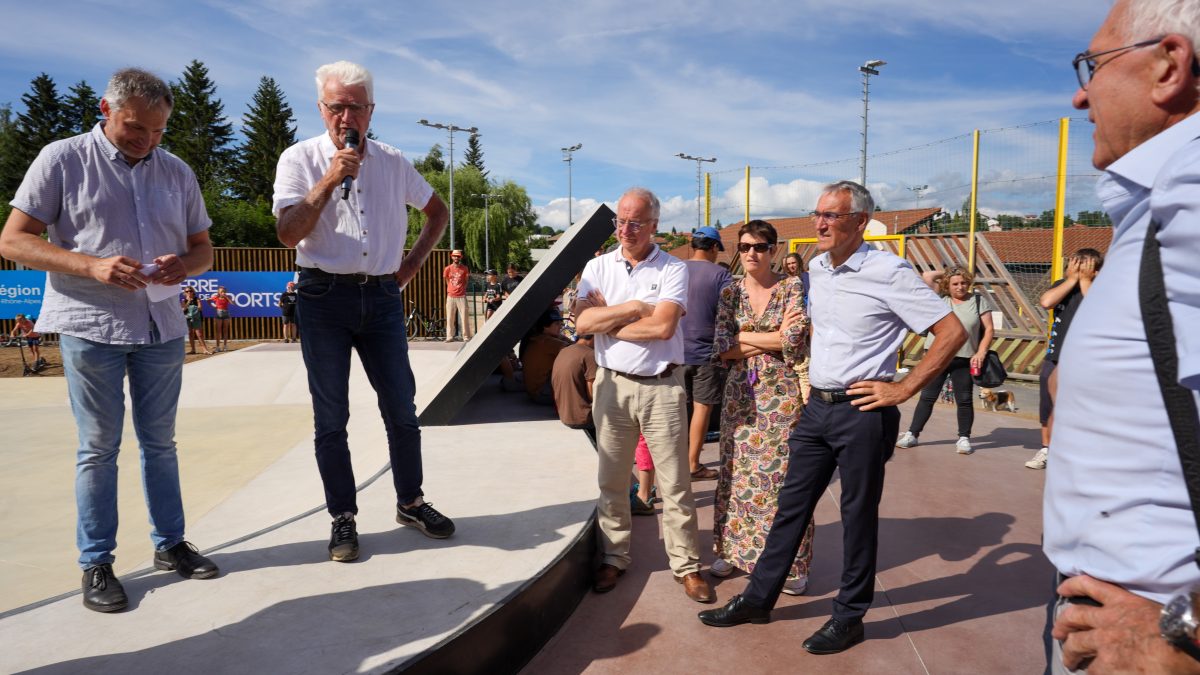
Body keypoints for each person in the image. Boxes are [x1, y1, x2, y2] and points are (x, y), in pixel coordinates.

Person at [698, 181, 965, 655]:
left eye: (833, 216)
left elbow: (951, 330)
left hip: (863, 410)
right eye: (818, 213)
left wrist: (903, 387)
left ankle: (849, 616)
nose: (820, 223)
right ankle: (759, 598)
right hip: (816, 407)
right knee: (790, 507)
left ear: (860, 222)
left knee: (856, 516)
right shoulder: (817, 268)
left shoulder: (889, 271)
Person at [0, 67, 220, 613]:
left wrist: (182, 266)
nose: (146, 140)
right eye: (134, 127)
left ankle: (170, 545)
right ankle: (96, 562)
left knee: (161, 443)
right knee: (98, 448)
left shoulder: (176, 171)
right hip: (90, 324)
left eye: (158, 131)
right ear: (105, 109)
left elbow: (203, 250)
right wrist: (90, 266)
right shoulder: (62, 158)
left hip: (161, 326)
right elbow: (13, 241)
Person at [1045, 3, 1200, 672]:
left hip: (1148, 631)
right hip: (1103, 613)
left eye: (1094, 65)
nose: (1080, 94)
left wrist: (1182, 629)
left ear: (1170, 64)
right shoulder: (1154, 203)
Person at [273, 60, 455, 563]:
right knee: (331, 415)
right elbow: (288, 233)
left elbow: (437, 212)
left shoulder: (394, 162)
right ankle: (342, 517)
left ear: (371, 110)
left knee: (402, 407)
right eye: (337, 106)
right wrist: (329, 180)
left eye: (356, 106)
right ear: (321, 109)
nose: (346, 116)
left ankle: (411, 502)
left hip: (380, 297)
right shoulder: (299, 159)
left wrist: (412, 264)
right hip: (321, 297)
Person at [573, 186, 714, 604]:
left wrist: (608, 319)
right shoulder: (596, 267)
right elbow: (581, 323)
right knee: (612, 480)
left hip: (662, 388)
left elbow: (664, 328)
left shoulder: (674, 269)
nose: (626, 229)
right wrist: (636, 307)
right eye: (621, 220)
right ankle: (615, 557)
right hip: (612, 385)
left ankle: (686, 566)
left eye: (636, 221)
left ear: (654, 225)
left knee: (675, 483)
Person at [710, 220, 812, 595]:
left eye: (760, 246)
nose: (751, 253)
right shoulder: (729, 294)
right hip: (740, 396)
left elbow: (794, 339)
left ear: (774, 250)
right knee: (735, 474)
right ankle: (731, 551)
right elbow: (722, 347)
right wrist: (769, 338)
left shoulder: (791, 287)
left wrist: (745, 338)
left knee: (783, 480)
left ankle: (791, 562)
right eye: (744, 246)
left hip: (781, 396)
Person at [895, 266, 995, 455]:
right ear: (947, 286)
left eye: (964, 282)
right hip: (937, 356)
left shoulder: (979, 301)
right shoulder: (939, 300)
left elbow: (989, 329)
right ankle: (912, 434)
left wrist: (981, 352)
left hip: (965, 357)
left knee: (964, 399)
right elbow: (928, 276)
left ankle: (964, 438)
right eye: (955, 283)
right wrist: (951, 271)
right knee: (927, 397)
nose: (960, 287)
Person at [1025, 249, 1102, 470]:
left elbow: (1096, 309)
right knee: (1047, 401)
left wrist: (1086, 281)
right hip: (1057, 354)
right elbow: (1047, 302)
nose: (1079, 271)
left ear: (1096, 271)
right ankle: (1046, 448)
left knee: (1082, 403)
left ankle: (1081, 449)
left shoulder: (1100, 290)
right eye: (1075, 265)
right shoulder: (1062, 285)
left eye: (1084, 267)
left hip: (1087, 357)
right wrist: (1071, 279)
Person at [680, 225, 732, 481]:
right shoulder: (721, 275)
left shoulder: (675, 269)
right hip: (706, 352)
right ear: (713, 248)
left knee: (676, 411)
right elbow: (729, 314)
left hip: (674, 352)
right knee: (702, 409)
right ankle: (692, 463)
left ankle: (672, 464)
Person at [520, 306, 570, 405]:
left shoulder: (542, 337)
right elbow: (576, 351)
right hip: (541, 392)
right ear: (545, 326)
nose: (560, 327)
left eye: (561, 324)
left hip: (535, 390)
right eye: (556, 324)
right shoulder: (546, 342)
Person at [783, 251, 813, 405]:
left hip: (806, 324)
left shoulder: (807, 278)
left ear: (799, 263)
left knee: (805, 364)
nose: (791, 266)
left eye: (793, 263)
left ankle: (808, 399)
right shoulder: (784, 281)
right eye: (788, 264)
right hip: (790, 326)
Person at [443, 249, 471, 342]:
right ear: (452, 257)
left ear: (460, 257)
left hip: (461, 296)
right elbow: (446, 279)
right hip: (451, 296)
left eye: (458, 256)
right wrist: (451, 289)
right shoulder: (448, 268)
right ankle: (449, 336)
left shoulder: (465, 268)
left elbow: (466, 281)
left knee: (464, 317)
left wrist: (462, 289)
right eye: (455, 256)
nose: (456, 257)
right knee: (450, 317)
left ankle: (466, 337)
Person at [182, 287, 212, 355]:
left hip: (196, 318)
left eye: (190, 291)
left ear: (193, 292)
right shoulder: (183, 300)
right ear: (185, 293)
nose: (189, 292)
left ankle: (205, 349)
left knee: (199, 334)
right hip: (187, 318)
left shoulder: (197, 299)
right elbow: (183, 309)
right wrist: (189, 301)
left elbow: (200, 308)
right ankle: (193, 350)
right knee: (190, 334)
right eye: (187, 291)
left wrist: (193, 310)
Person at [206, 286, 235, 352]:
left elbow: (232, 303)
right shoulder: (216, 297)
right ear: (219, 292)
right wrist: (213, 305)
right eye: (221, 291)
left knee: (225, 330)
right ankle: (218, 347)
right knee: (218, 331)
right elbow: (208, 300)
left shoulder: (228, 297)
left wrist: (226, 297)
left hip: (226, 313)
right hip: (219, 313)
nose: (223, 293)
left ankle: (225, 346)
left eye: (224, 291)